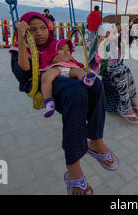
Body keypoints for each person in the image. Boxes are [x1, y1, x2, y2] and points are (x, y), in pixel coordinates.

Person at [10, 12, 118, 195]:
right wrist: (22, 39)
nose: (39, 33)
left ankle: (96, 141)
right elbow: (23, 73)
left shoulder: (55, 45)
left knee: (97, 85)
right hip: (46, 84)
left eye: (43, 28)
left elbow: (69, 56)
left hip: (67, 76)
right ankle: (73, 169)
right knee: (77, 94)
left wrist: (64, 58)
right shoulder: (23, 49)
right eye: (33, 30)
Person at [89, 23, 138, 124]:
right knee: (122, 73)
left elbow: (117, 57)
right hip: (107, 71)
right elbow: (97, 59)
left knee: (127, 70)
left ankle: (132, 100)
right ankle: (125, 109)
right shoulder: (99, 45)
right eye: (106, 34)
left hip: (116, 68)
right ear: (100, 36)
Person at [39, 39, 95, 118]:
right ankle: (49, 102)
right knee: (46, 77)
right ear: (54, 50)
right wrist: (56, 58)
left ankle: (86, 80)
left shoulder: (70, 58)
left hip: (70, 70)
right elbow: (46, 59)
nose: (65, 52)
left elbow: (77, 63)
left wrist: (82, 67)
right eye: (61, 49)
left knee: (78, 71)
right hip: (56, 69)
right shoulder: (53, 56)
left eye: (68, 50)